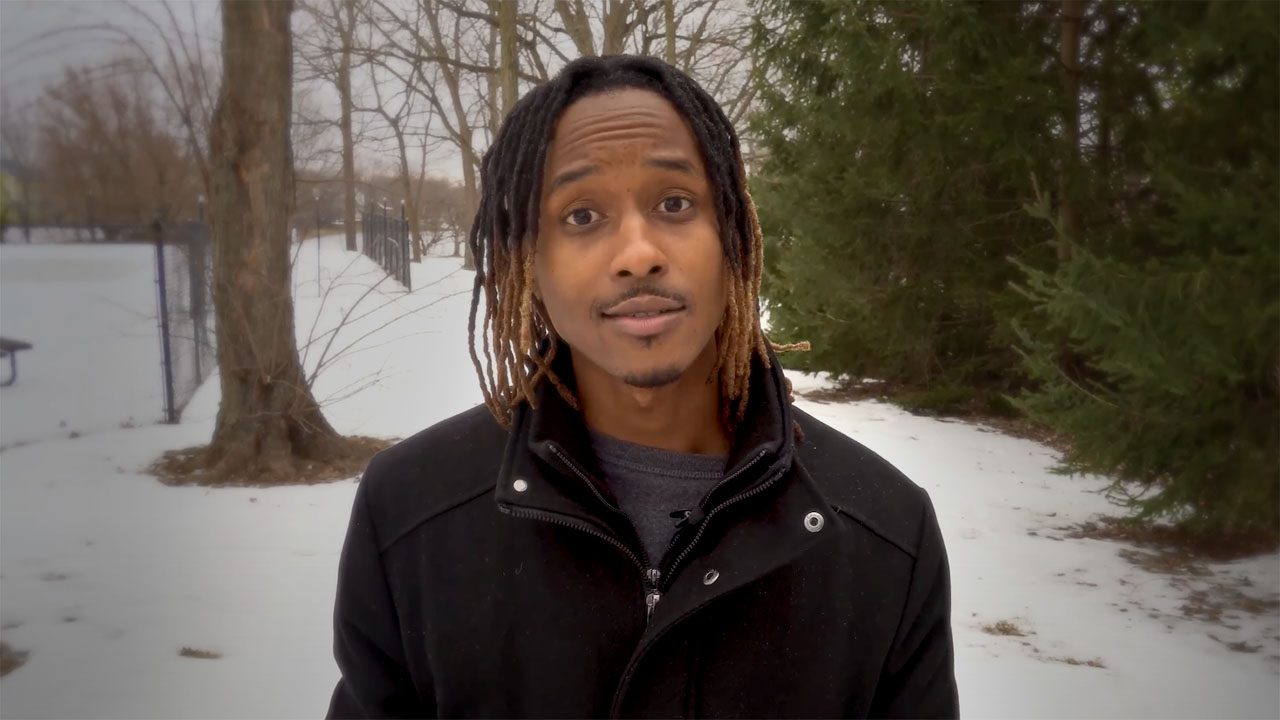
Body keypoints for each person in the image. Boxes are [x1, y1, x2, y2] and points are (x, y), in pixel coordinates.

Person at [327, 54, 958, 719]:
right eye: (580, 217)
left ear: (735, 236)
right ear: (528, 262)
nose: (637, 253)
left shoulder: (884, 535)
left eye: (675, 203)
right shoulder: (410, 514)